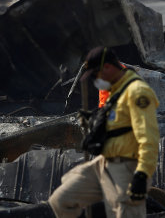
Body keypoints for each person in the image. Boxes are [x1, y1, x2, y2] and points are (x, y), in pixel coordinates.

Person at [49, 47, 159, 218]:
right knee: (61, 199)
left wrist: (142, 175)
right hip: (104, 161)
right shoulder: (110, 89)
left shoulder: (137, 94)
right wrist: (92, 120)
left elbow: (148, 139)